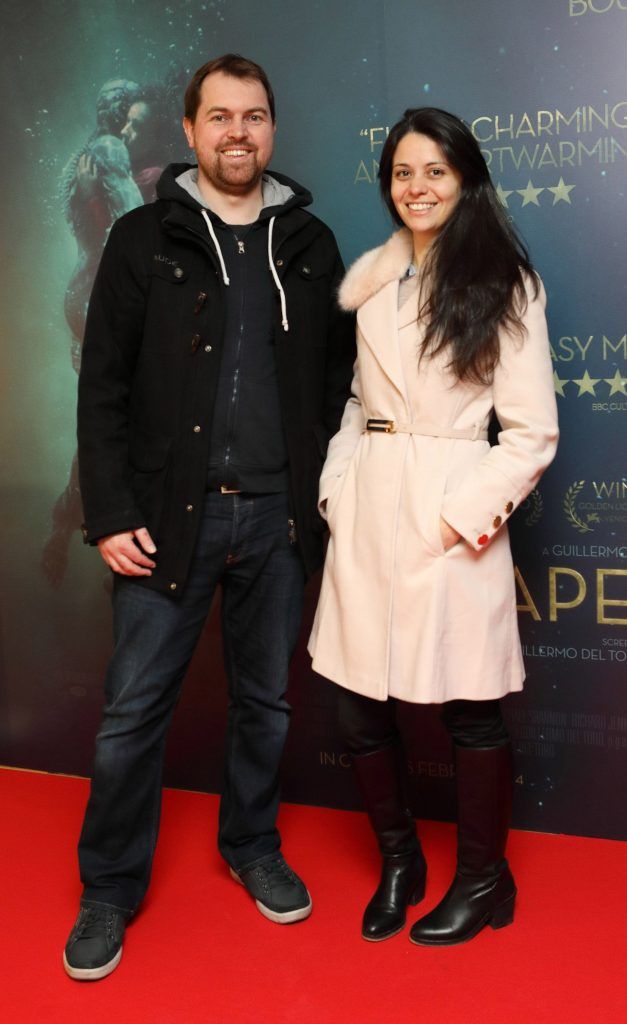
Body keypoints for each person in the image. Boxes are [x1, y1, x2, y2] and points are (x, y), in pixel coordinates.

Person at [63, 53, 354, 981]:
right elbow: (101, 387)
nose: (239, 132)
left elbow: (338, 388)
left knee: (265, 706)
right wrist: (108, 510)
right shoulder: (142, 238)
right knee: (131, 716)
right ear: (188, 131)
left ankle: (252, 844)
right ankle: (108, 890)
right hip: (163, 521)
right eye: (219, 117)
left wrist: (323, 503)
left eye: (255, 116)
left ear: (273, 129)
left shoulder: (310, 243)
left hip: (275, 522)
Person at [308, 107, 558, 946]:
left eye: (435, 172)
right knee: (355, 710)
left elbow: (530, 433)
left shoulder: (504, 280)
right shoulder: (373, 278)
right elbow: (355, 400)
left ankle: (484, 879)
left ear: (466, 179)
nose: (416, 188)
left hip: (449, 513)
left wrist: (457, 516)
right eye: (403, 173)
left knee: (470, 711)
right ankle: (400, 861)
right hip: (368, 507)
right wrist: (338, 489)